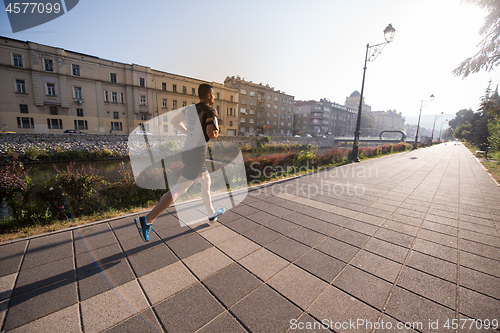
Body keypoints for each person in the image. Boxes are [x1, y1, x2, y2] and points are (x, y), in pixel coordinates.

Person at [134, 83, 225, 242]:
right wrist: (216, 130)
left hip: (189, 151)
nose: (215, 97)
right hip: (197, 153)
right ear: (209, 96)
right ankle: (147, 220)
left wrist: (188, 132)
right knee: (178, 190)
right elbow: (212, 133)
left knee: (206, 181)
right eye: (214, 95)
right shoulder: (210, 111)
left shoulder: (191, 109)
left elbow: (175, 121)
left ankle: (211, 214)